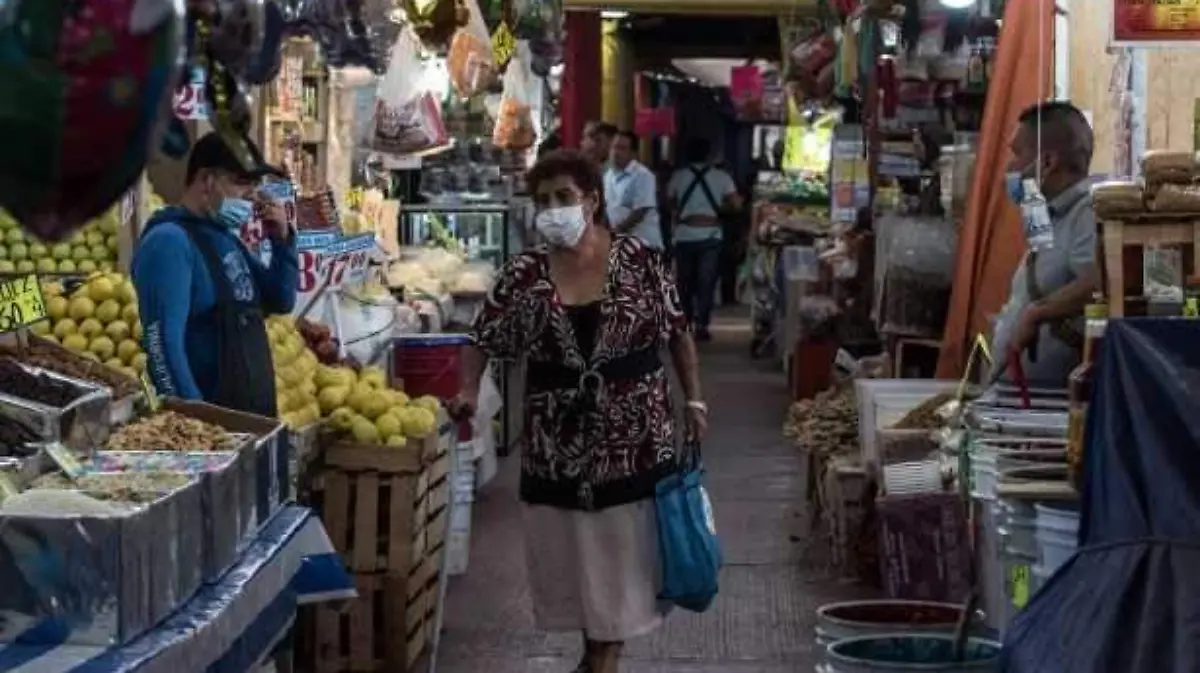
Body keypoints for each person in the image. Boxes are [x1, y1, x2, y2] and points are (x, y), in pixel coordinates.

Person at [455, 149, 706, 673]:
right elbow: (479, 338)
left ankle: (601, 659)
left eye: (563, 197)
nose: (552, 209)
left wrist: (694, 399)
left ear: (591, 201)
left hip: (634, 445)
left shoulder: (639, 260)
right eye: (542, 200)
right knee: (577, 571)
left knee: (620, 576)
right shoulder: (522, 274)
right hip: (556, 452)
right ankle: (595, 658)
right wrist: (468, 392)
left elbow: (678, 331)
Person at [133, 132, 298, 416]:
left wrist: (282, 241)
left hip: (250, 421)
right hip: (214, 433)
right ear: (207, 180)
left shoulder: (225, 239)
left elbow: (280, 300)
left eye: (255, 184)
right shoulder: (169, 242)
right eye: (241, 182)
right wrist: (199, 422)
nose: (252, 195)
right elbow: (162, 345)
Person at [990, 101, 1098, 387]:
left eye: (1016, 154)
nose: (1010, 167)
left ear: (1047, 162)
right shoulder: (1048, 214)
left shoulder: (1087, 213)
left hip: (1055, 404)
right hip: (1023, 395)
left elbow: (1101, 284)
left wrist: (1038, 313)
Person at [665, 138, 743, 340]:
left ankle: (685, 322)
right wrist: (717, 211)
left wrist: (684, 213)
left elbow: (668, 203)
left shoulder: (678, 177)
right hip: (711, 235)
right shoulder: (722, 177)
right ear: (709, 155)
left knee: (684, 282)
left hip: (683, 235)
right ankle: (702, 325)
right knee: (706, 282)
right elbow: (736, 206)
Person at [604, 131, 663, 250]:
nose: (616, 153)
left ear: (633, 153)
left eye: (622, 148)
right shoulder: (608, 176)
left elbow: (640, 211)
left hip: (643, 244)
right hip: (621, 245)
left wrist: (616, 232)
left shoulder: (643, 175)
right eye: (614, 147)